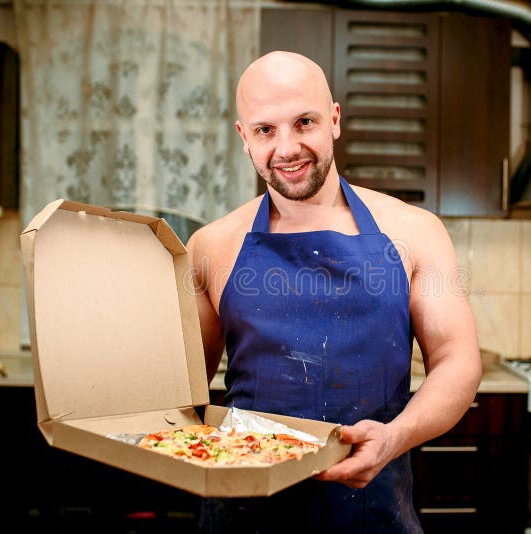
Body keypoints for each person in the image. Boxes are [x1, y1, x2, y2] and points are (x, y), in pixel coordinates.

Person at [186, 50, 482, 533]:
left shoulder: (416, 231)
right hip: (242, 514)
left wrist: (395, 437)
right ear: (244, 137)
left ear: (335, 120)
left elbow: (458, 360)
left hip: (372, 510)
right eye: (265, 130)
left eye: (304, 122)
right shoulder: (210, 246)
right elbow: (181, 393)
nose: (287, 148)